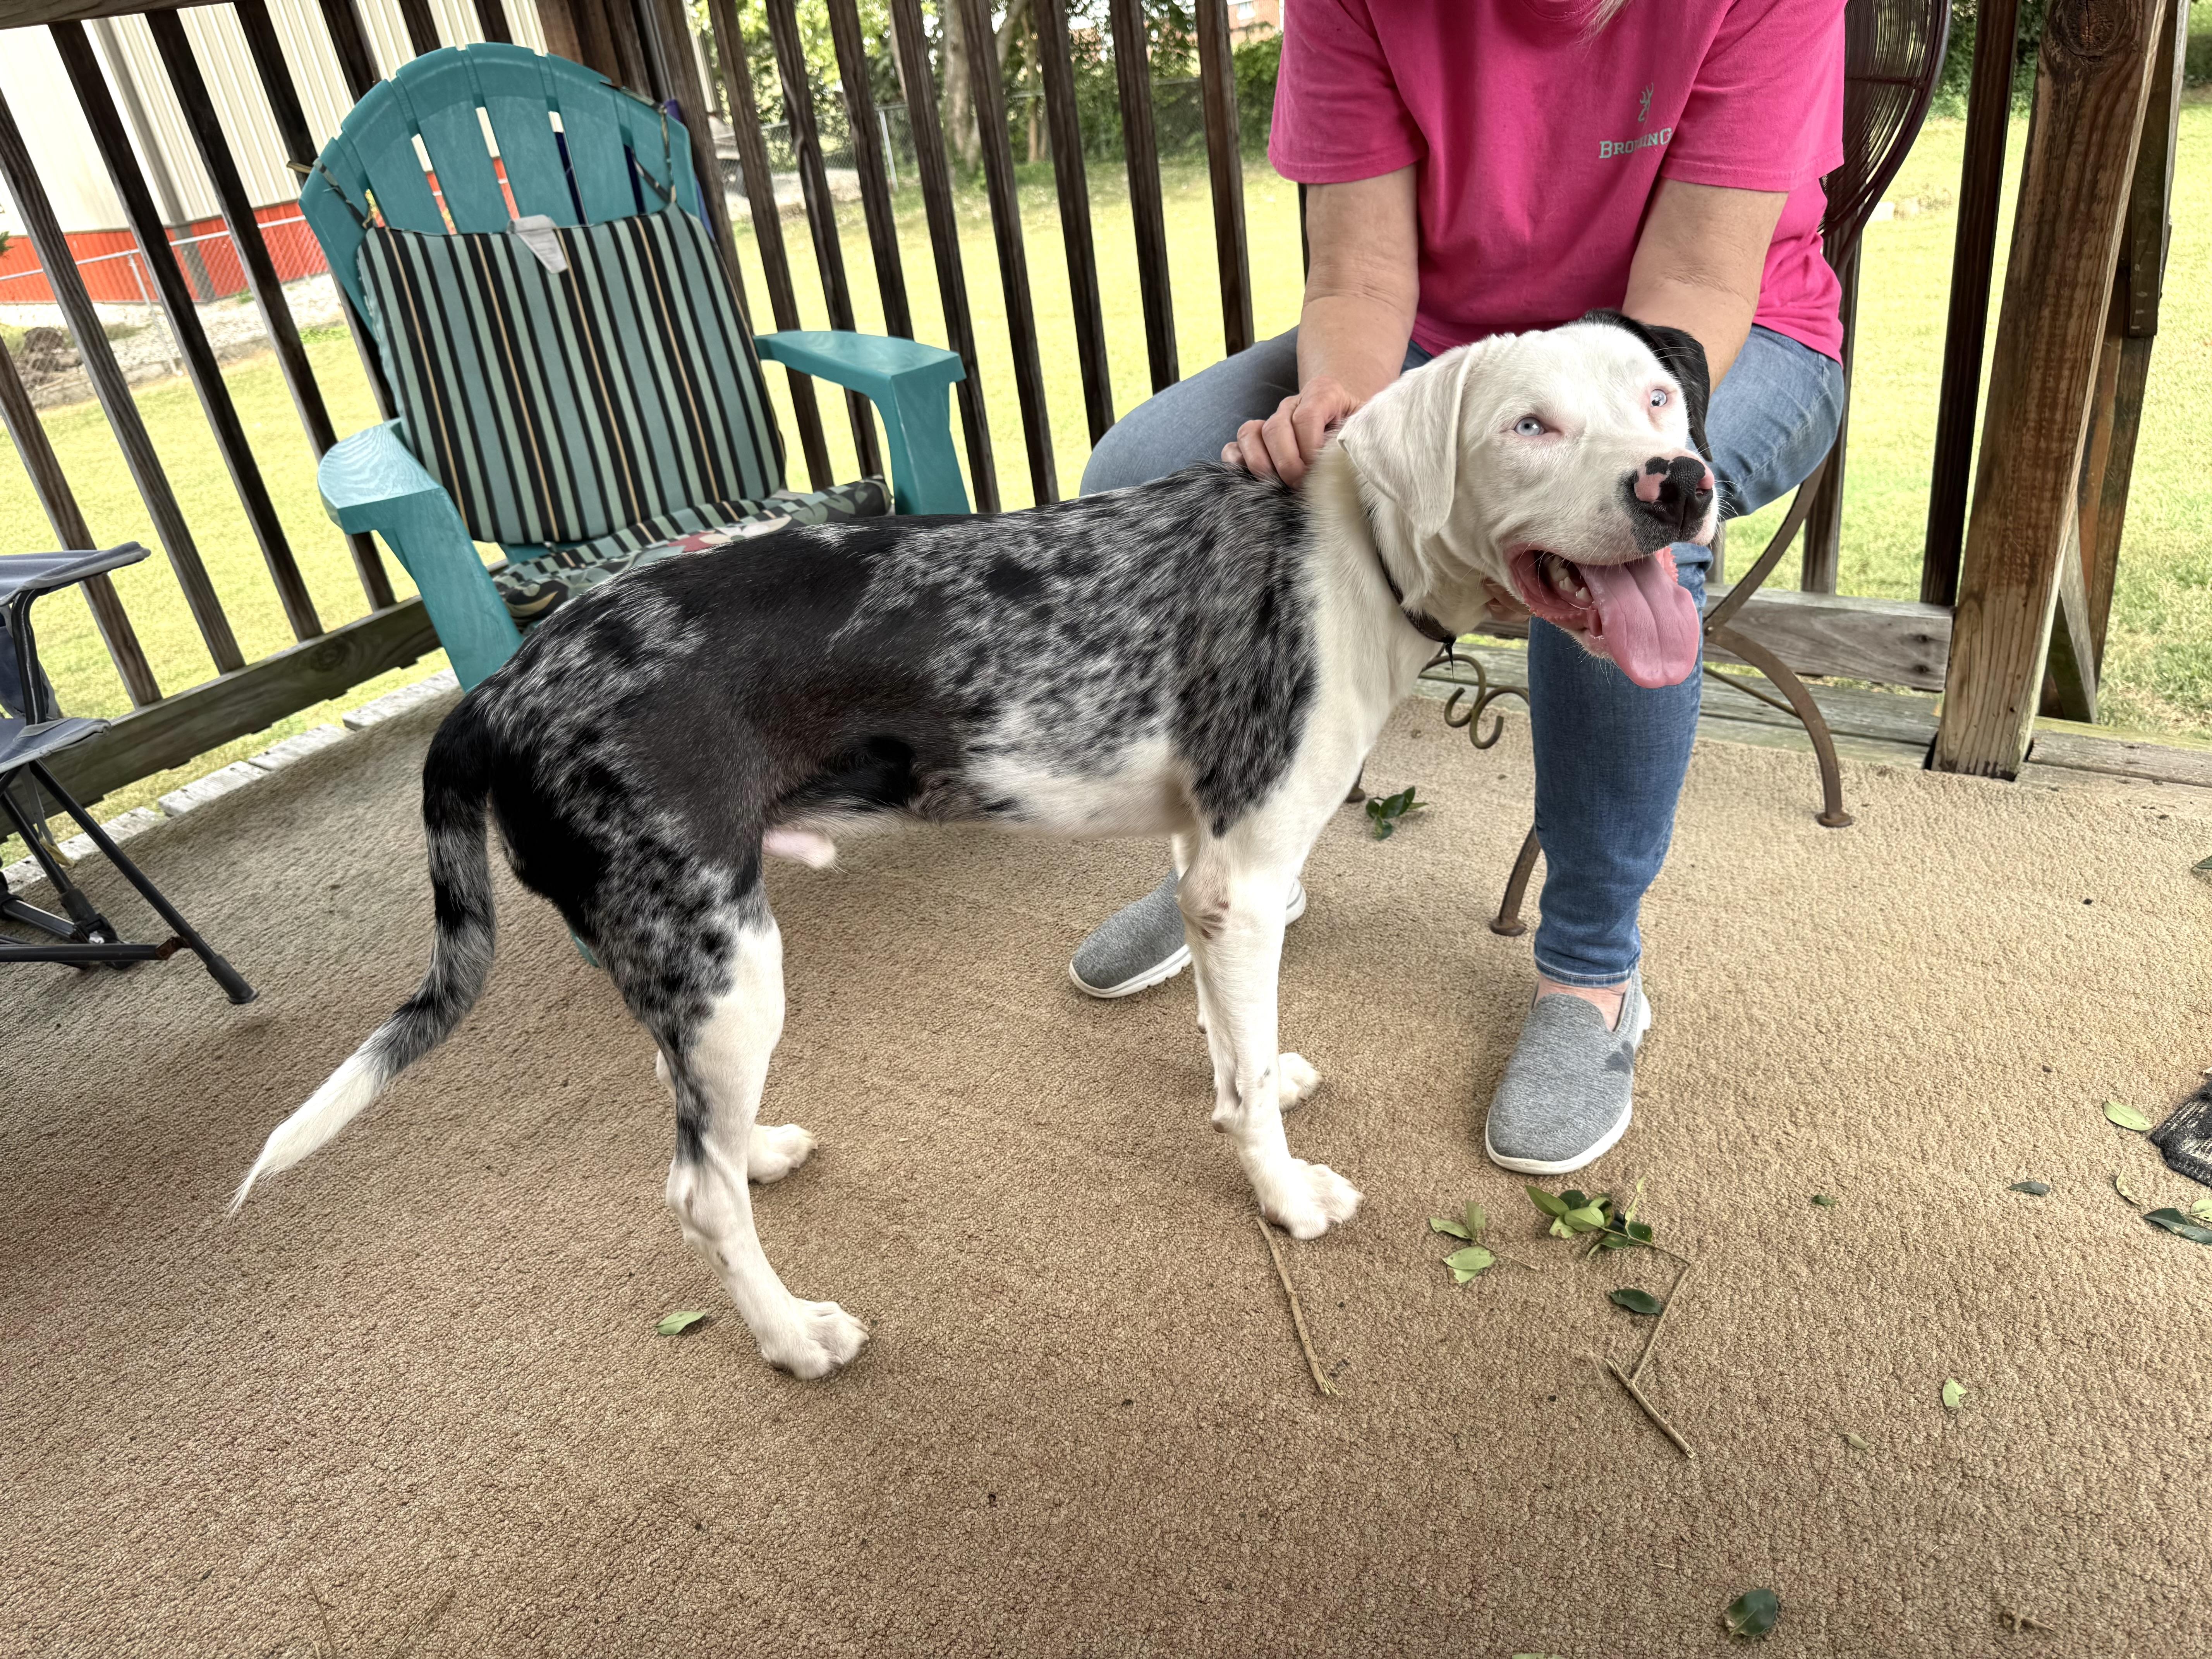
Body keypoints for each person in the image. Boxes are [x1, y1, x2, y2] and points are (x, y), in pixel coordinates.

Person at [1066, 0, 1847, 1175]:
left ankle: (1593, 973)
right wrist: (1344, 417)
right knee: (1142, 477)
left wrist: (1583, 459)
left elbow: (1692, 279)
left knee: (1627, 536)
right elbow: (1364, 272)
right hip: (1458, 356)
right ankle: (1249, 856)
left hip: (1707, 339)